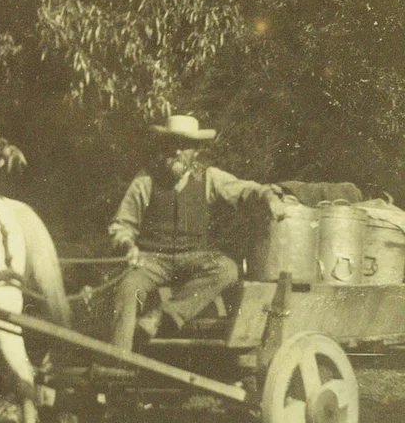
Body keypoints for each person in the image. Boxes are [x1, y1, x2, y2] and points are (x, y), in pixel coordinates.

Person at [109, 110, 286, 353]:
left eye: (184, 146)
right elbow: (122, 225)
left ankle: (161, 317)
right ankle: (118, 362)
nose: (177, 152)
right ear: (163, 147)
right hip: (152, 260)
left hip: (194, 257)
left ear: (196, 151)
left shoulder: (209, 178)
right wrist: (128, 245)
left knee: (227, 269)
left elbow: (244, 189)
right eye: (172, 145)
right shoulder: (145, 182)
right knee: (128, 286)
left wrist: (266, 194)